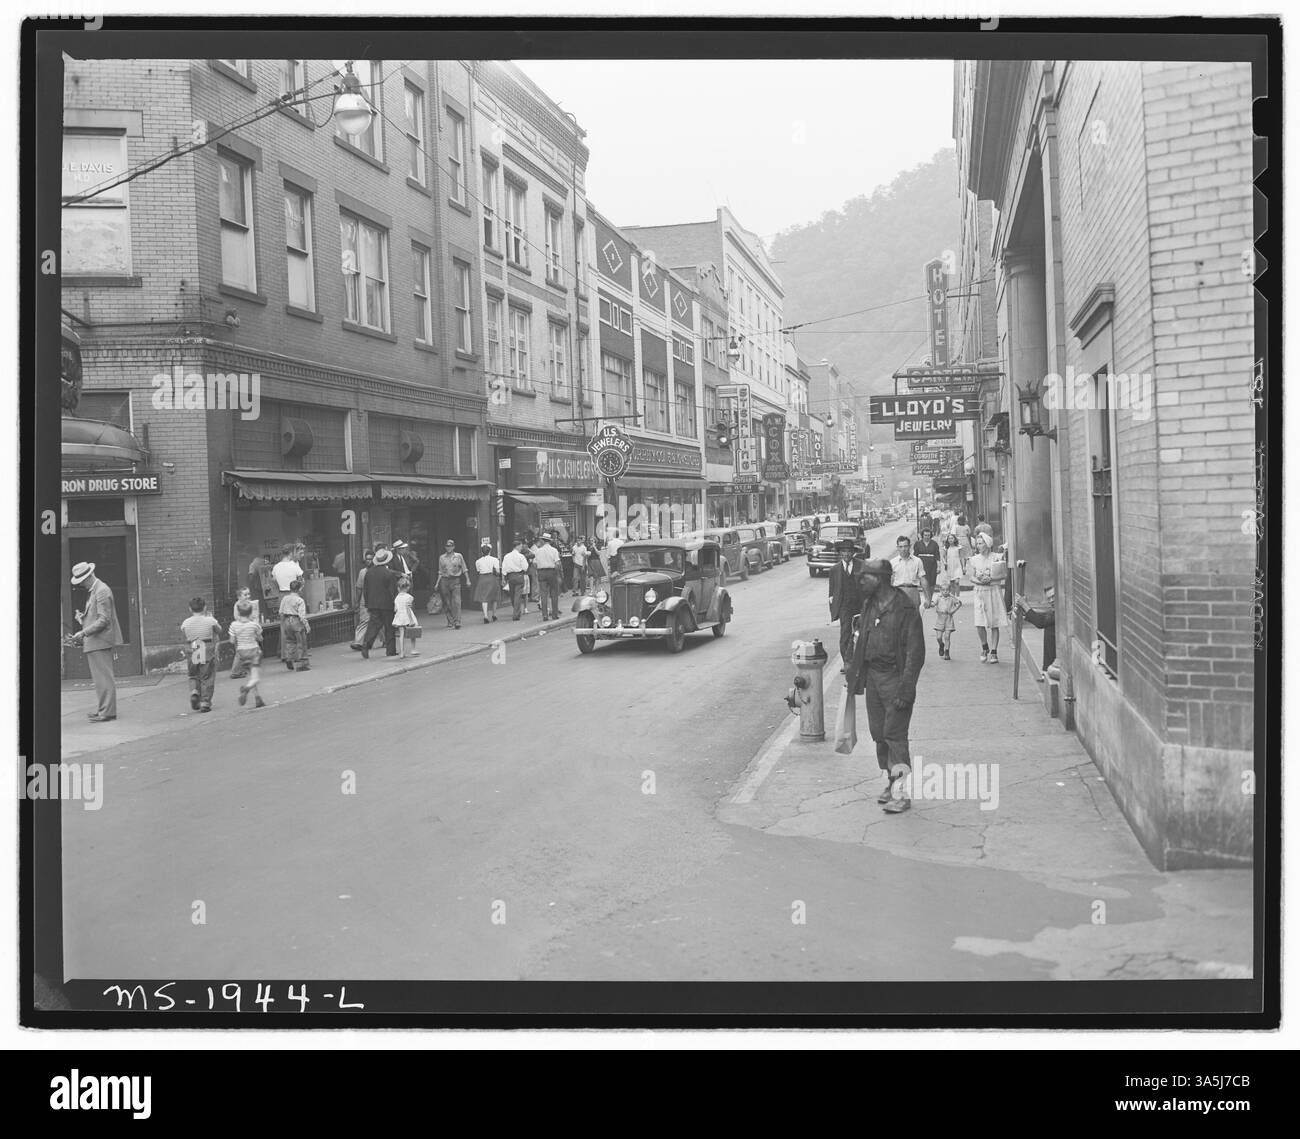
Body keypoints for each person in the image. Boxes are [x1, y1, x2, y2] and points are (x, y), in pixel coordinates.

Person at [845, 558, 926, 815]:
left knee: (895, 736)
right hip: (873, 679)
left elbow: (915, 653)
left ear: (878, 579)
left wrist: (906, 689)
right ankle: (891, 782)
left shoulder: (905, 608)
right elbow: (863, 638)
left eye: (864, 577)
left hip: (895, 678)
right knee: (879, 734)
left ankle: (901, 794)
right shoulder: (870, 604)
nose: (860, 582)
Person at [69, 561, 122, 722]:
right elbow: (98, 617)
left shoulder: (101, 591)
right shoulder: (96, 590)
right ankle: (103, 710)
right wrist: (83, 618)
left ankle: (107, 712)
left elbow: (104, 620)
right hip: (96, 640)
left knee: (104, 678)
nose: (82, 584)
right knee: (100, 679)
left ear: (90, 575)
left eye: (83, 580)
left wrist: (83, 632)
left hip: (99, 640)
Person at [828, 536, 869, 670]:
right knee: (845, 635)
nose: (846, 554)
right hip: (844, 607)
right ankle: (847, 662)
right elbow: (832, 593)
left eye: (849, 551)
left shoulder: (861, 565)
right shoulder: (834, 570)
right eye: (843, 552)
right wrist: (834, 611)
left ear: (853, 553)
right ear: (840, 553)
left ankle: (860, 662)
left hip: (860, 605)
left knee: (861, 633)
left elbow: (867, 586)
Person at [969, 531, 1010, 663]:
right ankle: (984, 646)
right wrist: (980, 580)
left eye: (981, 543)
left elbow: (1004, 575)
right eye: (978, 543)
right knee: (979, 623)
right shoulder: (974, 559)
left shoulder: (996, 557)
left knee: (994, 623)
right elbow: (971, 577)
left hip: (993, 591)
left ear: (987, 544)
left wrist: (990, 578)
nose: (978, 546)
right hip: (980, 592)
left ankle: (994, 651)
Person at [180, 596, 222, 713]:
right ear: (204, 607)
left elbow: (184, 633)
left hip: (193, 647)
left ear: (190, 609)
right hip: (206, 647)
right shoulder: (210, 620)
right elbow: (219, 630)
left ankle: (194, 691)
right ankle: (205, 702)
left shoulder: (186, 622)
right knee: (207, 676)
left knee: (194, 674)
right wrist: (212, 620)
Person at [361, 548, 399, 658]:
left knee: (373, 626)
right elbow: (393, 591)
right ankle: (390, 650)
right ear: (386, 561)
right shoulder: (389, 574)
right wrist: (395, 604)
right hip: (387, 604)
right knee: (389, 627)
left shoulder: (369, 573)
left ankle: (366, 644)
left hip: (373, 604)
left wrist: (368, 603)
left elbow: (366, 590)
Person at [228, 599, 266, 709]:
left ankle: (258, 698)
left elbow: (231, 641)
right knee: (256, 678)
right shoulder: (254, 625)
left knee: (251, 675)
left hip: (242, 654)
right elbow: (260, 638)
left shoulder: (233, 625)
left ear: (239, 613)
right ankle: (246, 688)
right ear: (250, 613)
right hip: (254, 652)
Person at [1014, 584, 1058, 678]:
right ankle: (1047, 669)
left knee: (1049, 629)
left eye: (1053, 596)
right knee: (1049, 628)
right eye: (1049, 598)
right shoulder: (1055, 610)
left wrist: (1024, 605)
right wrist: (1024, 615)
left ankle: (1047, 669)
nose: (1051, 600)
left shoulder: (1061, 610)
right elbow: (1044, 618)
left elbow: (1041, 622)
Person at [278, 578, 311, 671]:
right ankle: (301, 664)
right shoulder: (300, 600)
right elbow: (302, 615)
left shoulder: (284, 598)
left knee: (290, 642)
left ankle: (289, 658)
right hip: (296, 621)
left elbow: (280, 612)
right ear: (300, 589)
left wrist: (283, 623)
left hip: (287, 621)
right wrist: (307, 625)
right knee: (301, 643)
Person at [435, 539, 470, 630]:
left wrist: (468, 580)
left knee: (457, 602)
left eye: (450, 546)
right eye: (447, 546)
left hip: (455, 580)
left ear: (453, 547)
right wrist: (437, 583)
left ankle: (457, 621)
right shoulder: (442, 557)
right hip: (444, 581)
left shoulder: (458, 556)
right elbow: (440, 571)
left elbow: (464, 568)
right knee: (447, 602)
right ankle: (450, 620)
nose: (448, 548)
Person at [532, 531, 563, 620]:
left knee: (543, 594)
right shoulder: (554, 550)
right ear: (550, 541)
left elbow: (534, 564)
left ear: (542, 540)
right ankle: (554, 614)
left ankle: (545, 615)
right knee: (554, 594)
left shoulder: (538, 551)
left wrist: (539, 569)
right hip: (551, 572)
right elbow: (557, 563)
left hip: (541, 572)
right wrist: (556, 572)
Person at [890, 535, 924, 609]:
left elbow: (923, 579)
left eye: (905, 546)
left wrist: (927, 598)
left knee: (914, 618)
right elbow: (890, 581)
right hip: (898, 592)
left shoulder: (917, 561)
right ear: (897, 548)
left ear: (910, 546)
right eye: (901, 547)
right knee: (898, 618)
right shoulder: (893, 562)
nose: (903, 549)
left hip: (913, 591)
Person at [472, 539, 502, 624]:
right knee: (494, 597)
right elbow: (498, 571)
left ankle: (485, 616)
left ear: (482, 552)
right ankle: (494, 614)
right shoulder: (495, 559)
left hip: (482, 578)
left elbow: (478, 571)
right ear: (490, 551)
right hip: (492, 578)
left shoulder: (478, 561)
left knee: (484, 598)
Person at [933, 577, 963, 660]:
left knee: (947, 636)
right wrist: (929, 604)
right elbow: (934, 604)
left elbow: (959, 603)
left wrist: (953, 610)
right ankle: (941, 645)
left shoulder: (952, 598)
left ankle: (947, 652)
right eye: (943, 590)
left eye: (947, 590)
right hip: (940, 619)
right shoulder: (938, 597)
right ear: (940, 590)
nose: (945, 591)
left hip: (949, 620)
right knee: (938, 637)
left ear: (949, 590)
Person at [501, 538, 531, 621]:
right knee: (518, 595)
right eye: (520, 546)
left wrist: (503, 578)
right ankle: (516, 614)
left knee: (512, 595)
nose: (521, 548)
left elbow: (504, 568)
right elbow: (525, 568)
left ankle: (516, 611)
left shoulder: (506, 556)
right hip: (519, 576)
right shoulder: (521, 556)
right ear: (517, 546)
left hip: (510, 577)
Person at [350, 548, 374, 650]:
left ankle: (385, 640)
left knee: (379, 622)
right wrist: (357, 601)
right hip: (365, 601)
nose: (368, 561)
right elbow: (359, 588)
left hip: (376, 600)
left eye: (371, 559)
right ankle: (358, 642)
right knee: (364, 621)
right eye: (367, 559)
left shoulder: (377, 570)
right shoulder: (362, 572)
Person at [393, 575, 421, 657]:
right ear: (408, 587)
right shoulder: (409, 597)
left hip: (400, 616)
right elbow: (408, 608)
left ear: (398, 587)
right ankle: (413, 649)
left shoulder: (396, 598)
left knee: (401, 634)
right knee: (413, 633)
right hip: (407, 616)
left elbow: (395, 609)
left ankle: (402, 652)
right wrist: (411, 619)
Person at [914, 527, 941, 608]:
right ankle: (927, 599)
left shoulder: (934, 544)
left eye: (928, 535)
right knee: (924, 582)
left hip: (932, 565)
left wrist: (939, 566)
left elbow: (937, 556)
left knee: (932, 583)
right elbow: (915, 556)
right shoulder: (918, 544)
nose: (927, 536)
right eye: (925, 535)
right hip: (922, 564)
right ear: (922, 535)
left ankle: (930, 599)